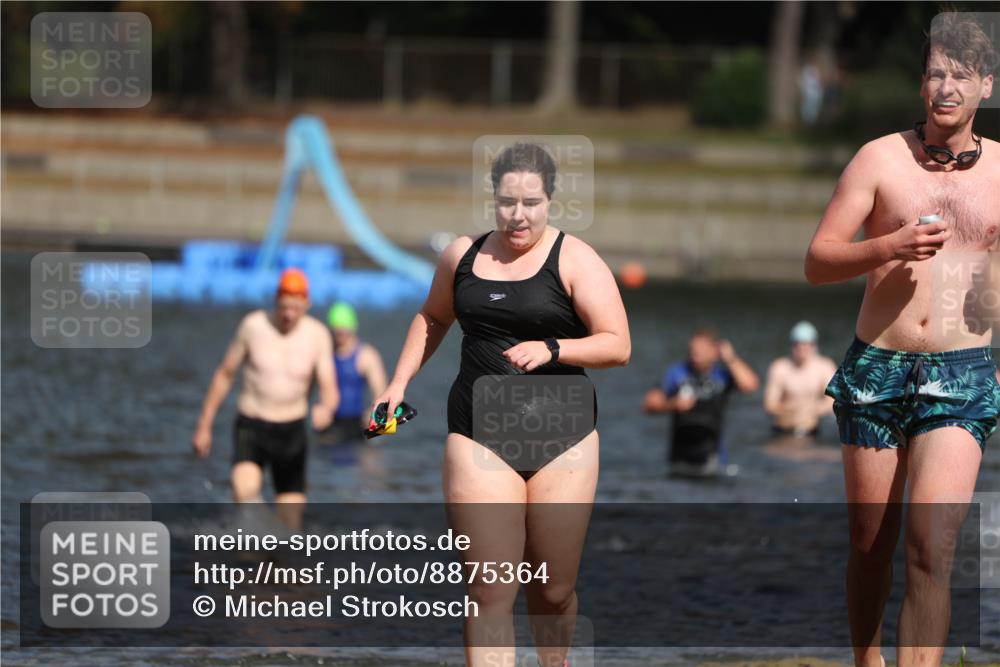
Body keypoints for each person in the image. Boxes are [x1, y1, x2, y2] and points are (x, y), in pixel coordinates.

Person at [369, 142, 630, 667]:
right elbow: (433, 316)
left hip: (564, 442)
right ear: (493, 199)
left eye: (531, 203)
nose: (518, 214)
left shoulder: (575, 259)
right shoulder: (463, 256)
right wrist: (397, 384)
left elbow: (617, 345)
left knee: (552, 590)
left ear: (550, 201)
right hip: (477, 435)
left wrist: (554, 347)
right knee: (488, 590)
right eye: (508, 202)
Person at [805, 14, 998, 667]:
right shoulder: (879, 158)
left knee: (930, 549)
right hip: (877, 368)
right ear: (921, 84)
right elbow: (818, 261)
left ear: (986, 86)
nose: (946, 87)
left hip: (961, 373)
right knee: (870, 546)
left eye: (961, 76)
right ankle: (867, 659)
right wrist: (888, 246)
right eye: (936, 74)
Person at [192, 268, 339, 530]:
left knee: (291, 526)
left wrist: (326, 408)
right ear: (275, 300)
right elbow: (225, 375)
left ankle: (270, 545)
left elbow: (329, 387)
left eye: (295, 308)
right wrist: (204, 425)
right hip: (252, 426)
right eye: (284, 307)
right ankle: (256, 543)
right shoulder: (253, 326)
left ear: (307, 304)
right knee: (245, 494)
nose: (288, 315)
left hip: (292, 431)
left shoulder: (317, 336)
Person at [642, 329, 759, 476]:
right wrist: (672, 404)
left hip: (712, 459)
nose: (696, 354)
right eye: (693, 349)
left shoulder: (722, 376)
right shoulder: (677, 373)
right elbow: (648, 403)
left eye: (702, 350)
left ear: (715, 352)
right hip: (679, 457)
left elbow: (750, 385)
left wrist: (731, 359)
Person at [321, 301, 387, 444]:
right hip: (330, 424)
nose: (340, 335)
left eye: (344, 330)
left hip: (358, 424)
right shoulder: (323, 354)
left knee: (377, 437)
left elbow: (381, 393)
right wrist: (315, 411)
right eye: (337, 331)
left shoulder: (367, 356)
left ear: (353, 328)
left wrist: (374, 413)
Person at [763, 321, 838, 437]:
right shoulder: (780, 368)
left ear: (814, 346)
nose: (801, 348)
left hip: (811, 430)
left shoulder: (824, 367)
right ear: (792, 346)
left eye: (805, 344)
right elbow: (770, 404)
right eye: (797, 344)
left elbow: (833, 401)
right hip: (784, 429)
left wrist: (811, 411)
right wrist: (789, 412)